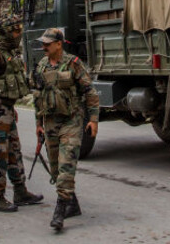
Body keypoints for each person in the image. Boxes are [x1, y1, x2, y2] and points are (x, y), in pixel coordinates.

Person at [31, 28, 100, 232]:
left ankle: (59, 212)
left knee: (66, 165)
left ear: (59, 44)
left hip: (72, 120)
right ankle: (73, 204)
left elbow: (90, 92)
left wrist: (93, 120)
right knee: (56, 169)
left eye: (48, 43)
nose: (44, 46)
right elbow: (37, 96)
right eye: (43, 43)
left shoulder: (73, 64)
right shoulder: (41, 66)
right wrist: (38, 124)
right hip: (50, 122)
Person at [0, 15, 44, 212]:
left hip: (7, 110)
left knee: (14, 151)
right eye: (15, 31)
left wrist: (12, 107)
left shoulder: (11, 52)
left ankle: (20, 191)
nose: (19, 35)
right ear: (7, 32)